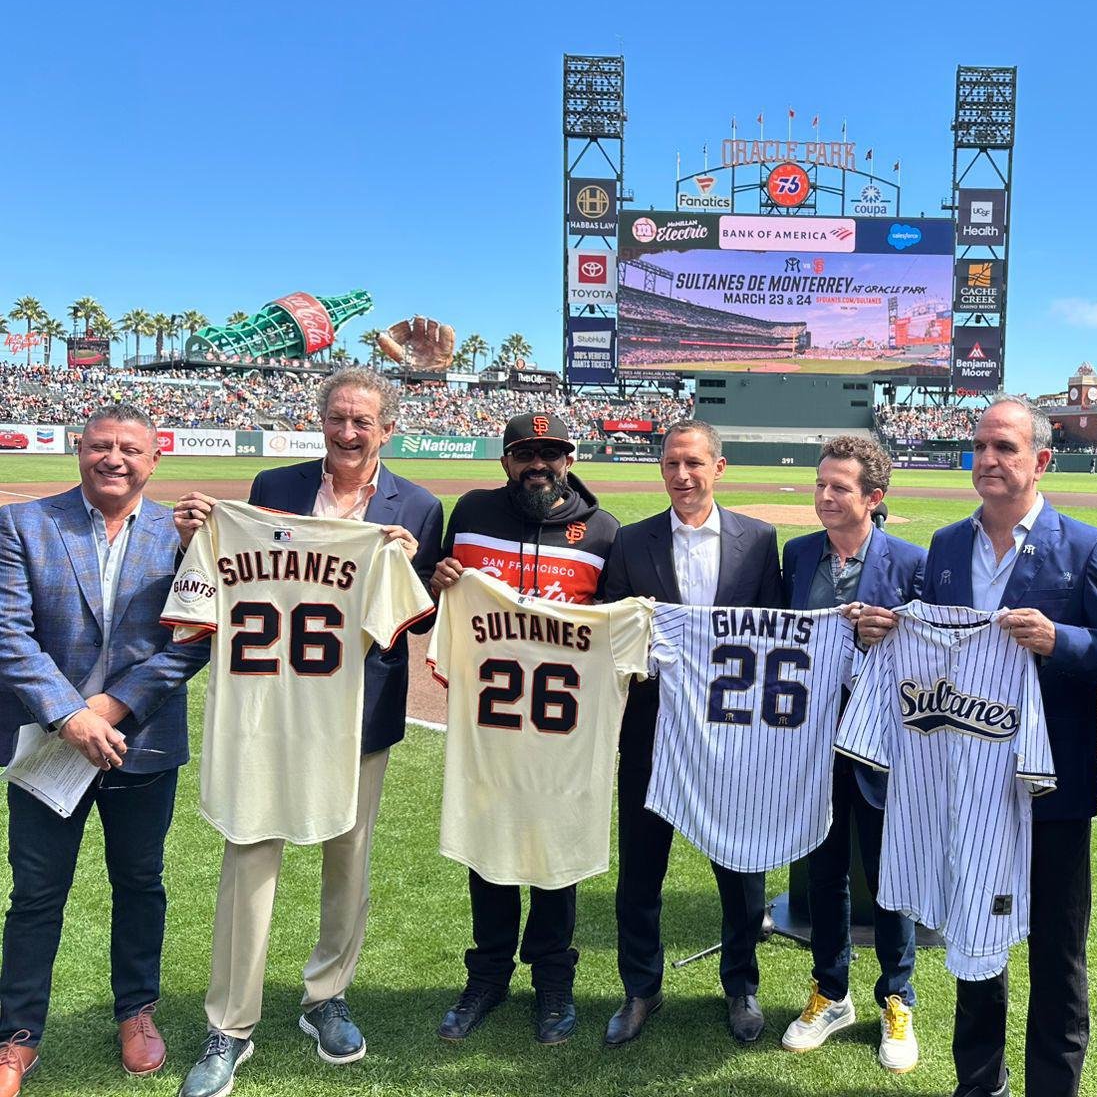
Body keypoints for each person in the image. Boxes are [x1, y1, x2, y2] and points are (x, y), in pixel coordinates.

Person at [171, 367, 443, 1097]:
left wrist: (411, 569)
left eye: (364, 421)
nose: (349, 433)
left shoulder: (418, 507)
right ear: (319, 419)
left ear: (388, 429)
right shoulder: (272, 489)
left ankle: (327, 997)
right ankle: (228, 1025)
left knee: (348, 863)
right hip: (267, 708)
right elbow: (230, 580)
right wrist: (196, 535)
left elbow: (421, 621)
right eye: (337, 417)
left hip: (359, 714)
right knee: (249, 857)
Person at [921, 394, 1097, 1097]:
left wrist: (1060, 641)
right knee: (976, 939)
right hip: (966, 779)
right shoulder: (947, 546)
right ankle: (978, 1084)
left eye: (1004, 448)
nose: (987, 460)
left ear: (1040, 460)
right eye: (980, 446)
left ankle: (1052, 1088)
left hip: (1054, 786)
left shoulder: (1088, 546)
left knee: (1058, 952)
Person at [0, 405, 208, 1095]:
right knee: (35, 895)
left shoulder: (185, 533)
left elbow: (193, 636)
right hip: (45, 745)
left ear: (155, 459)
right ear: (77, 450)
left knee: (140, 885)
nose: (113, 458)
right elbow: (9, 636)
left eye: (129, 448)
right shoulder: (23, 523)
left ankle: (136, 1012)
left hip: (141, 746)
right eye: (100, 446)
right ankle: (17, 1034)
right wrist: (68, 716)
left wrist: (111, 709)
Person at [428, 412, 620, 1046]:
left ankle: (553, 980)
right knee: (489, 847)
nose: (538, 464)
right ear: (505, 460)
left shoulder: (601, 531)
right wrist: (442, 582)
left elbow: (614, 631)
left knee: (556, 854)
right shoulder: (472, 513)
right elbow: (433, 600)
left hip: (563, 732)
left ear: (569, 459)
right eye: (525, 453)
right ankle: (486, 975)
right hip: (492, 726)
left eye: (551, 453)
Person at [600, 419, 783, 1046]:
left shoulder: (759, 541)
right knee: (641, 871)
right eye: (673, 464)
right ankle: (640, 989)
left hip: (732, 737)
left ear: (719, 468)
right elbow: (613, 632)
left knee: (739, 867)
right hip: (653, 732)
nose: (683, 475)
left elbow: (775, 635)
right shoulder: (630, 542)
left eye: (695, 464)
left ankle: (741, 985)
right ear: (662, 469)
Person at [776, 435, 924, 1073]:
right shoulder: (798, 554)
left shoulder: (914, 561)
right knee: (825, 870)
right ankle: (831, 992)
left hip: (886, 745)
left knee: (893, 875)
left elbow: (933, 653)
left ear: (874, 498)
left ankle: (897, 997)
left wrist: (887, 636)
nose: (825, 497)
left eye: (840, 487)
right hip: (813, 742)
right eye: (820, 484)